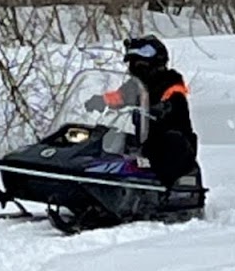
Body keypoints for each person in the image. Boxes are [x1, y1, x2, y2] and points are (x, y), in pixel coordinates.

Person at [83, 35, 198, 186]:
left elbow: (174, 100)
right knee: (109, 139)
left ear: (154, 63)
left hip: (171, 142)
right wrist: (102, 100)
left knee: (170, 143)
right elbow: (120, 96)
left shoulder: (171, 83)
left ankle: (163, 188)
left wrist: (161, 109)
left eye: (139, 64)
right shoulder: (136, 84)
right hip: (144, 139)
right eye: (132, 63)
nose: (135, 68)